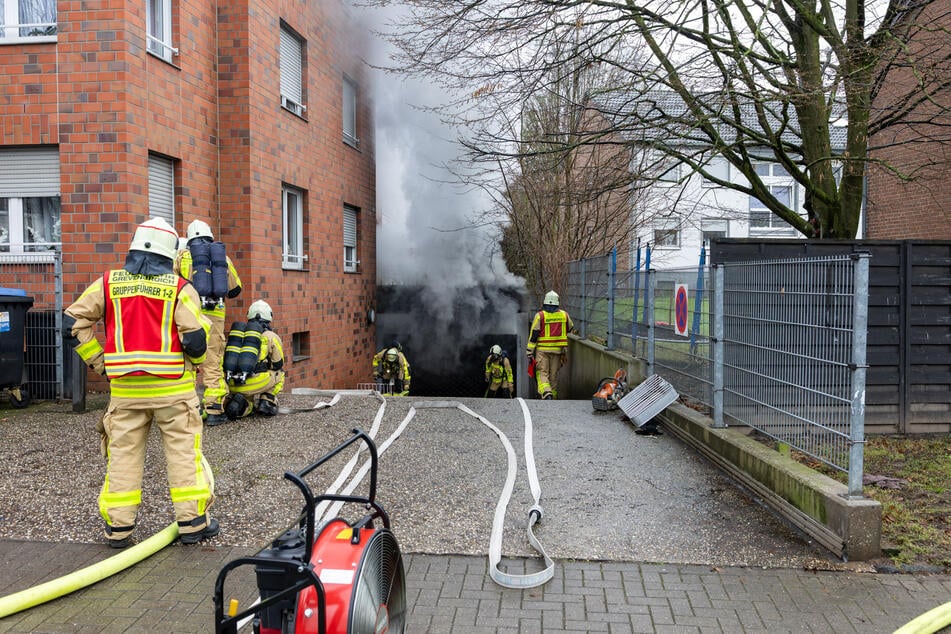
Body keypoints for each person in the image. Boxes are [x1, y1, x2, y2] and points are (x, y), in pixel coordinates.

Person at [63, 218, 218, 548]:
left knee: (123, 458)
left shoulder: (108, 284)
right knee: (183, 455)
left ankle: (118, 529)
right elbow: (194, 341)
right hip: (174, 393)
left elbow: (72, 323)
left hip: (125, 394)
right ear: (170, 253)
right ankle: (192, 524)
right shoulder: (179, 288)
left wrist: (100, 362)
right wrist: (198, 362)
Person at [174, 219, 242, 425]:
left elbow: (172, 285)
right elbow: (235, 289)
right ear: (210, 236)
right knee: (213, 362)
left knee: (188, 359)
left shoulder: (182, 257)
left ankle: (188, 407)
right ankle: (214, 408)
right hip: (215, 317)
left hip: (190, 313)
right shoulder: (222, 258)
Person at [221, 299, 285, 421]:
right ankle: (267, 402)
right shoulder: (270, 336)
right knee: (280, 373)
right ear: (269, 316)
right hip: (256, 383)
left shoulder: (239, 334)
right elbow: (278, 363)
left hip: (232, 383)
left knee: (246, 399)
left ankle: (241, 406)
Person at [526, 290, 575, 400]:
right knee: (553, 376)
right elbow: (570, 328)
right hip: (558, 351)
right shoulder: (564, 315)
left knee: (542, 373)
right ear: (557, 302)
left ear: (545, 302)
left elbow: (534, 335)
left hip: (542, 351)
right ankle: (553, 398)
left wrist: (529, 351)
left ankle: (547, 393)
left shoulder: (540, 316)